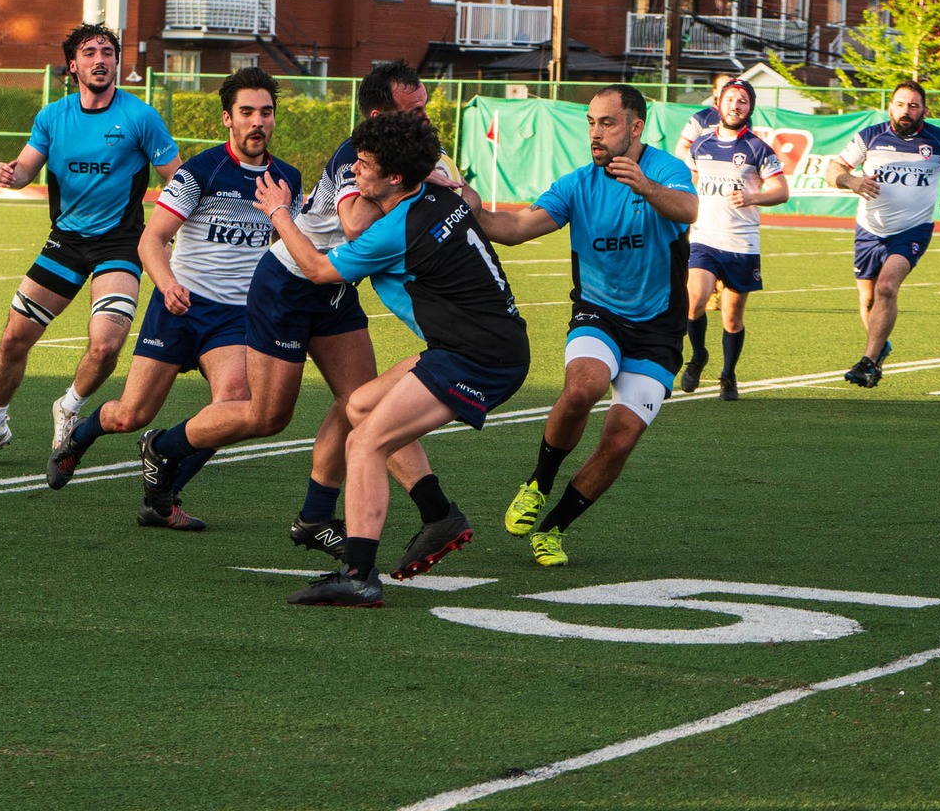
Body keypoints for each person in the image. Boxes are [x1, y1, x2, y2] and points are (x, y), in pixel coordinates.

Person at [122, 62, 451, 562]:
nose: (427, 118)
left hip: (335, 285)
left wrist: (440, 184)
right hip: (291, 282)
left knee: (361, 402)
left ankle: (343, 516)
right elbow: (358, 225)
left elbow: (463, 199)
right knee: (266, 416)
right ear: (383, 116)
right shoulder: (353, 156)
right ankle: (164, 448)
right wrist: (419, 193)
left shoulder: (421, 151)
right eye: (416, 110)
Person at [254, 110, 526, 606]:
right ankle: (438, 514)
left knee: (364, 443)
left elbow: (315, 268)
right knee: (358, 404)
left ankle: (359, 574)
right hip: (477, 342)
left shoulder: (394, 230)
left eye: (363, 163)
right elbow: (465, 197)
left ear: (395, 176)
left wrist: (278, 211)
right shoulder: (439, 193)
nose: (353, 170)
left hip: (477, 355)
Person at [47, 68, 298, 530]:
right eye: (246, 112)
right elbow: (151, 240)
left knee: (235, 404)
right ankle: (78, 439)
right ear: (228, 118)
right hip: (178, 306)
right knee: (129, 414)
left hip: (236, 318)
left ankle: (162, 498)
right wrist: (167, 285)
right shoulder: (200, 172)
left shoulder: (288, 181)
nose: (257, 122)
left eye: (265, 112)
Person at [472, 85, 698, 566]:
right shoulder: (577, 184)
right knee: (583, 388)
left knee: (619, 441)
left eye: (607, 123)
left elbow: (688, 210)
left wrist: (645, 187)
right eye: (591, 123)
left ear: (636, 127)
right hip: (598, 312)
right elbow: (514, 230)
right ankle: (538, 483)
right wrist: (471, 207)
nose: (595, 133)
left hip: (658, 329)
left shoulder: (664, 170)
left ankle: (552, 529)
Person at [0, 24, 180, 465]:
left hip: (121, 243)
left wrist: (168, 236)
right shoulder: (52, 117)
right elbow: (25, 170)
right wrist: (9, 176)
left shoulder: (140, 117)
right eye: (90, 52)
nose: (100, 59)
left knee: (106, 345)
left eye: (108, 52)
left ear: (116, 63)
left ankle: (69, 406)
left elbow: (178, 180)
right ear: (73, 66)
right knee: (14, 339)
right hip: (66, 242)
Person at [825, 80, 940, 387]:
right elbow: (833, 168)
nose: (906, 110)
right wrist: (851, 181)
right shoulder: (870, 137)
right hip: (869, 230)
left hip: (913, 229)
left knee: (886, 287)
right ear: (890, 107)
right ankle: (879, 348)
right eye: (900, 104)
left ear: (924, 109)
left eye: (913, 105)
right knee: (867, 299)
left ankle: (867, 361)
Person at [679, 78, 788, 398]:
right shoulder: (701, 144)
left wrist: (754, 198)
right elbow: (690, 185)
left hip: (741, 244)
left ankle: (728, 374)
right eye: (730, 99)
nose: (735, 105)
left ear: (749, 107)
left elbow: (781, 191)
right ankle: (698, 356)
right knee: (694, 301)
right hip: (705, 238)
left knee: (731, 318)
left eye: (742, 101)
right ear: (719, 104)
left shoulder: (758, 148)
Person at [671, 72, 737, 163]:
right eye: (723, 87)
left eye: (731, 87)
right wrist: (701, 163)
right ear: (715, 92)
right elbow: (681, 149)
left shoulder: (743, 119)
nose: (727, 91)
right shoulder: (702, 117)